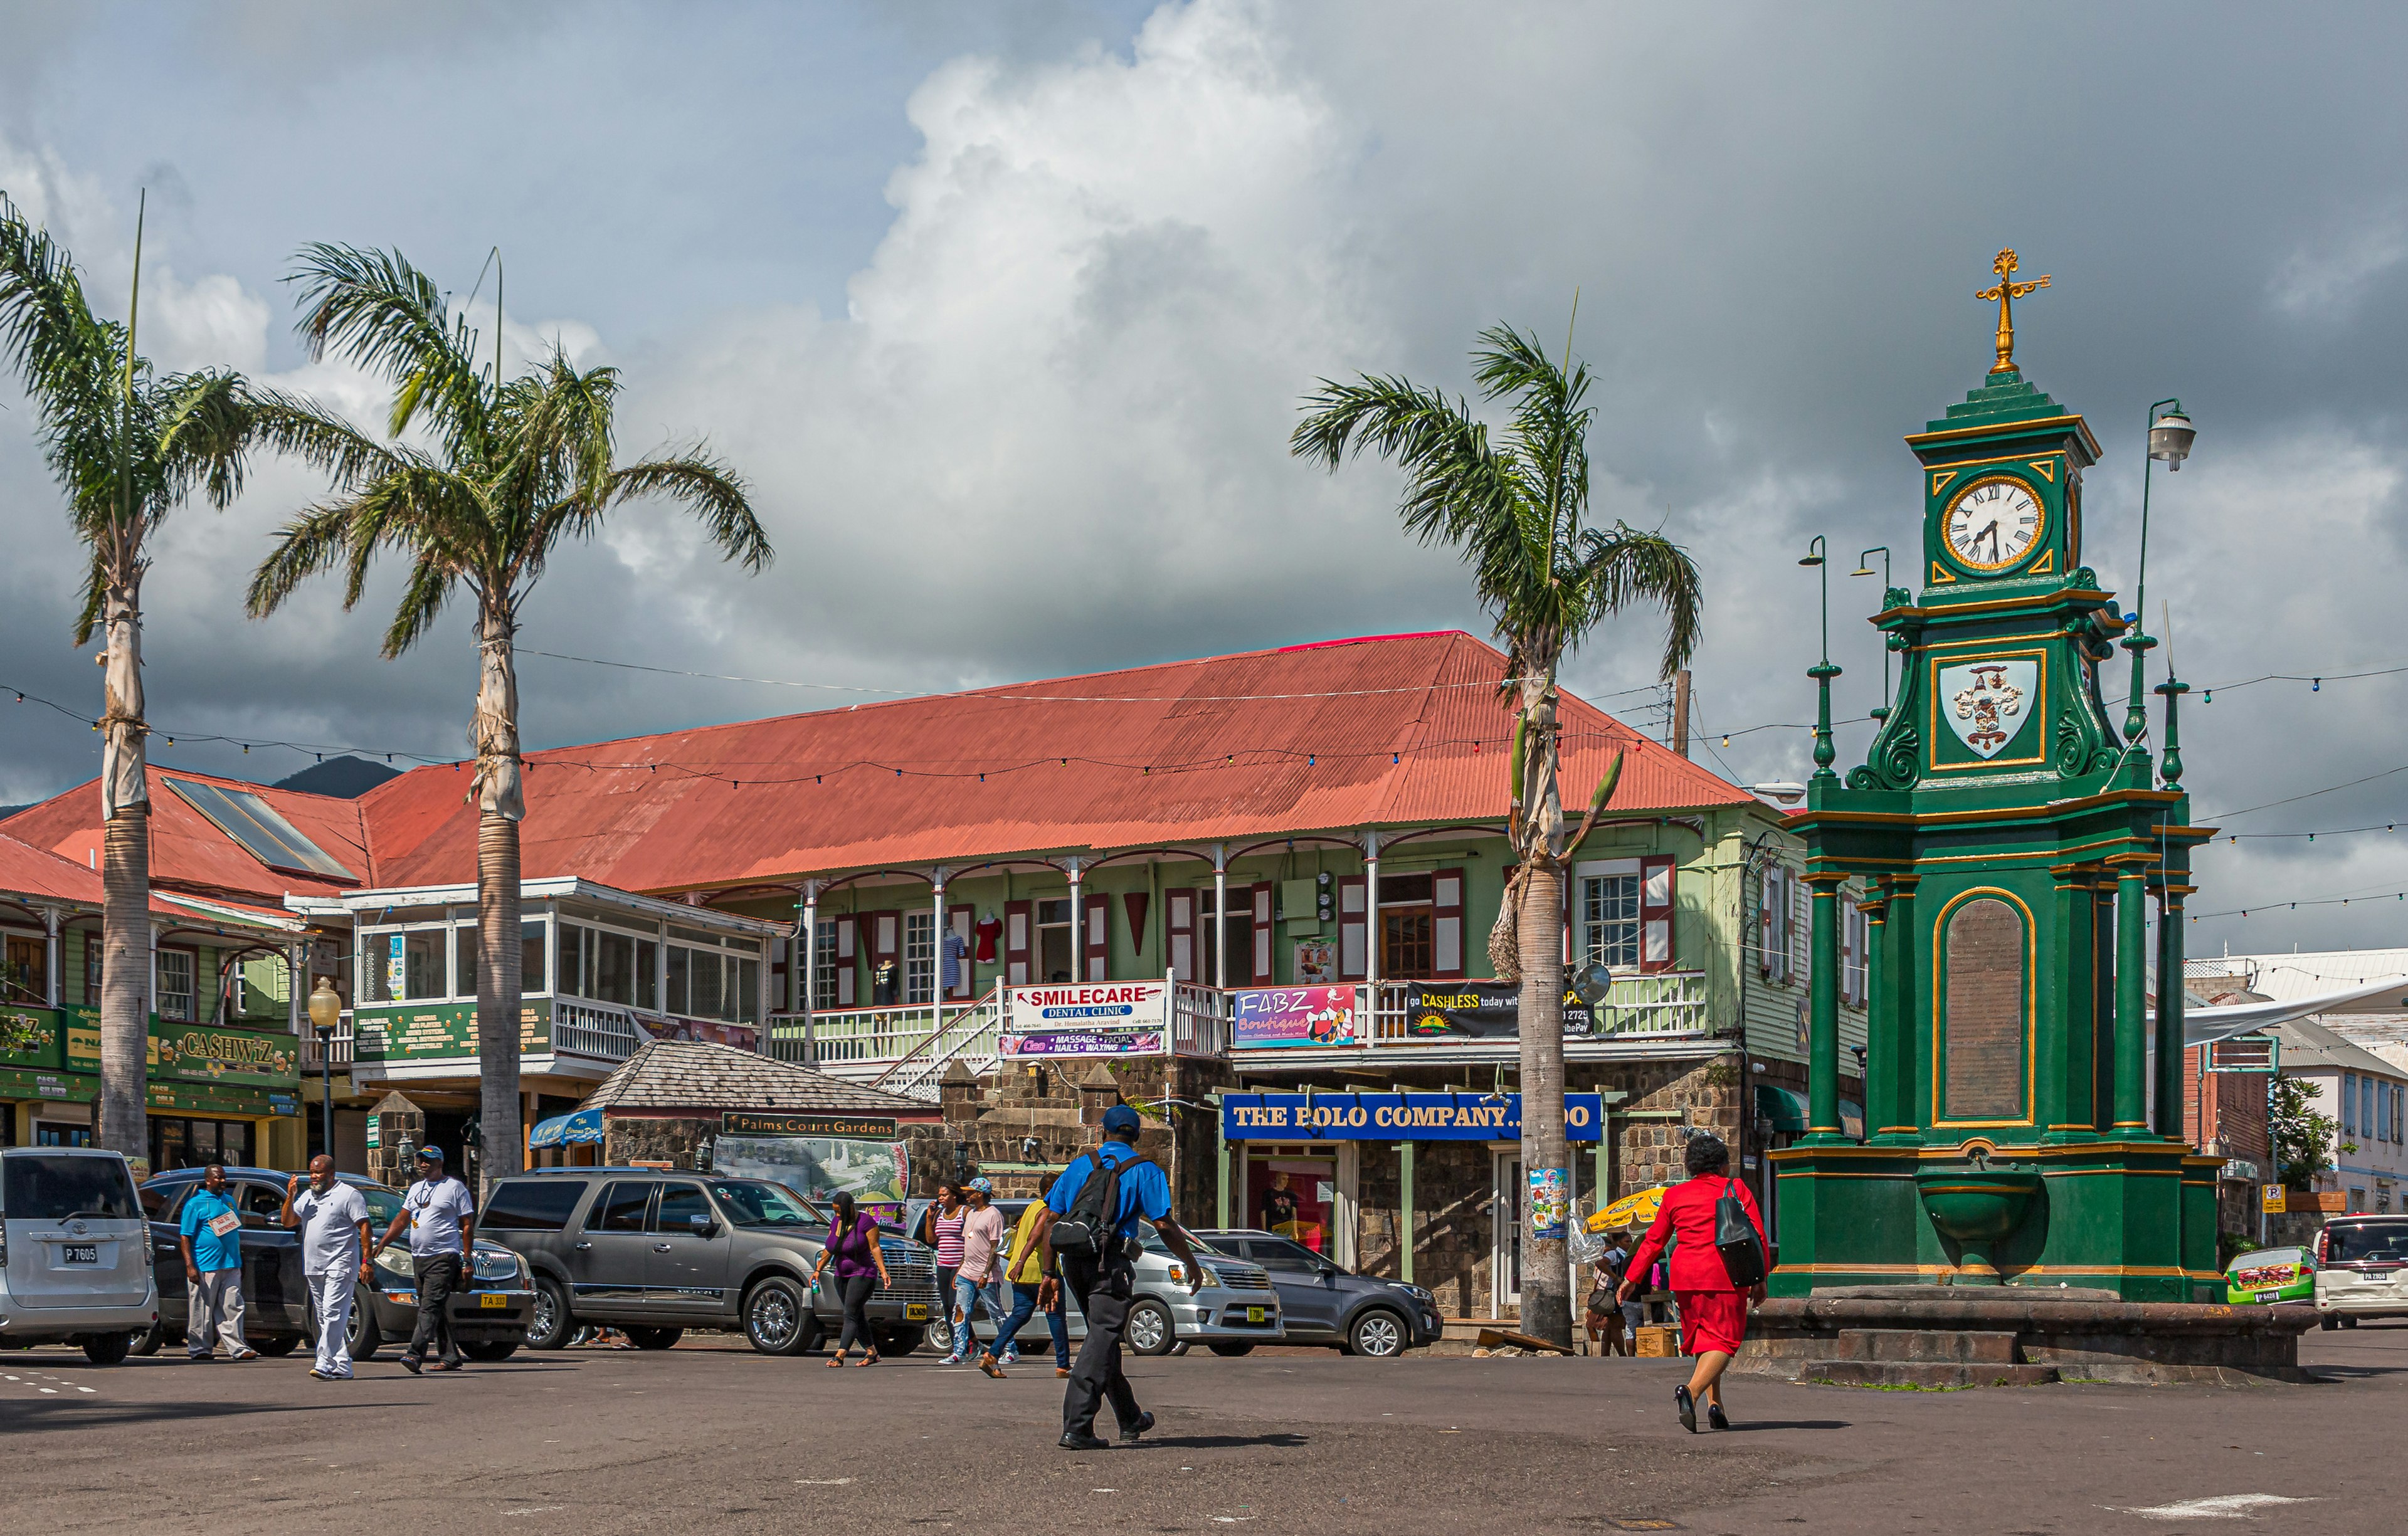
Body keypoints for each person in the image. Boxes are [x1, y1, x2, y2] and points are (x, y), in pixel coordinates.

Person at [1028, 1103, 1203, 1451]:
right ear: (1136, 1136)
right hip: (1110, 1261)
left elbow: (1050, 1219)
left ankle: (1129, 1417)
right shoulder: (1145, 1170)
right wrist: (1190, 1262)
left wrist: (1049, 1273)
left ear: (1101, 1132)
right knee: (1103, 1337)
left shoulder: (1081, 1165)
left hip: (1074, 1260)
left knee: (1102, 1337)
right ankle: (1077, 1426)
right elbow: (1164, 1223)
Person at [1618, 1134, 1766, 1433]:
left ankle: (1716, 1406)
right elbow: (1757, 1235)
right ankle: (1692, 1392)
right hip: (1726, 1273)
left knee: (1705, 1341)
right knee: (1725, 1341)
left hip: (1685, 1277)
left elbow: (1653, 1241)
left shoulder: (1674, 1196)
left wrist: (1631, 1278)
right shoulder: (1734, 1188)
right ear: (1724, 1166)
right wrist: (1760, 1278)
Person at [372, 1145, 476, 1375]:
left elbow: (467, 1224)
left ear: (440, 1163)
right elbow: (401, 1220)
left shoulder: (454, 1187)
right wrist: (383, 1243)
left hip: (444, 1256)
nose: (423, 1164)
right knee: (432, 1308)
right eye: (421, 1160)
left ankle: (414, 1354)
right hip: (419, 1257)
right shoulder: (416, 1189)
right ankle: (450, 1357)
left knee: (428, 1308)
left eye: (428, 1160)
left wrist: (467, 1260)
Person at [280, 1157, 371, 1381]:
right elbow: (288, 1221)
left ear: (331, 1174)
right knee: (325, 1317)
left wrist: (367, 1262)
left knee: (333, 1313)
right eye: (312, 1172)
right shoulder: (307, 1197)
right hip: (314, 1265)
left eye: (319, 1173)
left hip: (341, 1263)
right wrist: (290, 1196)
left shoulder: (349, 1195)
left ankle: (324, 1361)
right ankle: (343, 1364)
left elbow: (365, 1227)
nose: (314, 1177)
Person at [176, 1162, 256, 1362]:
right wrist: (190, 1266)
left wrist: (240, 1260)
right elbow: (185, 1237)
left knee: (233, 1306)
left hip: (230, 1264)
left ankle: (238, 1348)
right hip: (205, 1266)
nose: (223, 1181)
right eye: (218, 1177)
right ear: (208, 1180)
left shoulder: (229, 1201)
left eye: (224, 1177)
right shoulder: (195, 1204)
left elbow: (234, 1231)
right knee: (202, 1310)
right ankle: (200, 1348)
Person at [993, 1175, 1072, 1377]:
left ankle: (992, 1354)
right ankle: (1063, 1365)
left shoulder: (1031, 1207)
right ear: (1049, 1189)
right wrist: (1021, 1261)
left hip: (1022, 1275)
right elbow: (1034, 1237)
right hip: (1040, 1273)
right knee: (1055, 1317)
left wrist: (1019, 1263)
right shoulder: (1047, 1211)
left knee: (1020, 1314)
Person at [811, 1190, 891, 1365]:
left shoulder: (865, 1222)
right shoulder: (836, 1222)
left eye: (839, 1211)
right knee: (857, 1314)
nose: (837, 1215)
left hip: (863, 1274)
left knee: (850, 1314)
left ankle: (840, 1355)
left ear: (849, 1208)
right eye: (835, 1211)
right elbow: (829, 1248)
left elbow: (875, 1247)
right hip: (840, 1275)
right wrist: (817, 1270)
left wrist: (884, 1271)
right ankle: (872, 1353)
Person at [958, 1177, 1010, 1376]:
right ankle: (959, 1350)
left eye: (970, 1192)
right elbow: (967, 1244)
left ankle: (1010, 1348)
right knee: (960, 1311)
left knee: (995, 1313)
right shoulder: (970, 1214)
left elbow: (995, 1247)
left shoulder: (993, 1215)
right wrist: (960, 1268)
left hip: (984, 1273)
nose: (967, 1195)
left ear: (980, 1193)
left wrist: (986, 1272)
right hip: (967, 1272)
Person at [920, 1181, 968, 1364]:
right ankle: (959, 1344)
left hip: (959, 1264)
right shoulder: (939, 1214)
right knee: (947, 1306)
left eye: (944, 1195)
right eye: (939, 1195)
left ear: (954, 1196)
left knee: (957, 1306)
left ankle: (963, 1345)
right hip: (943, 1264)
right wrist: (929, 1217)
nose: (940, 1198)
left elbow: (970, 1238)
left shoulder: (965, 1212)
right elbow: (931, 1239)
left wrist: (965, 1264)